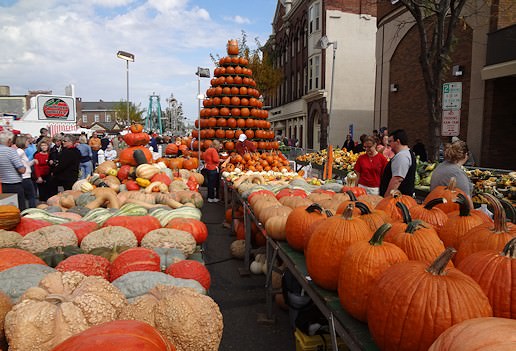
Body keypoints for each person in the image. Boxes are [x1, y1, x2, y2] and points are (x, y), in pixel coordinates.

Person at [379, 129, 417, 197]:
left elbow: (397, 180)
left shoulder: (402, 156)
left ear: (398, 141)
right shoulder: (405, 154)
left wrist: (386, 198)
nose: (389, 144)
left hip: (396, 201)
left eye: (390, 141)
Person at [0, 131, 26, 210]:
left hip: (3, 184)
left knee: (6, 208)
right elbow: (21, 170)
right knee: (19, 209)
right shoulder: (11, 151)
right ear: (9, 141)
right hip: (14, 184)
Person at [14, 135, 37, 208]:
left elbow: (26, 165)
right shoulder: (20, 151)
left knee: (27, 196)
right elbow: (15, 159)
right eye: (27, 141)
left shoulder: (21, 151)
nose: (28, 142)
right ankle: (32, 211)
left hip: (25, 176)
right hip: (25, 177)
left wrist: (33, 161)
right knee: (31, 196)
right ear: (23, 142)